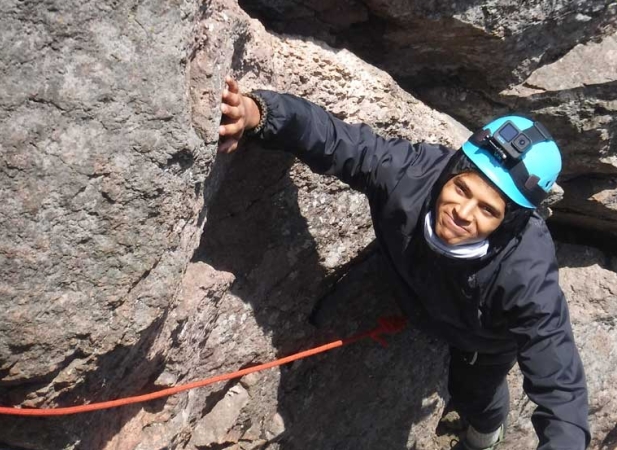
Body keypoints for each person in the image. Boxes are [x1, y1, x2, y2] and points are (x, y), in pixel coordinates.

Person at [217, 76, 591, 450]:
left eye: (487, 210)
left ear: (508, 222)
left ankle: (485, 435)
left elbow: (561, 388)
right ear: (450, 171)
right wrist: (258, 112)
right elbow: (335, 139)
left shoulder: (525, 273)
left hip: (478, 340)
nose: (462, 212)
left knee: (472, 391)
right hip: (410, 289)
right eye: (461, 188)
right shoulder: (410, 175)